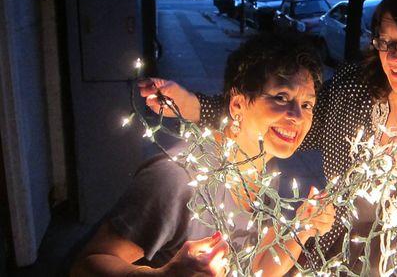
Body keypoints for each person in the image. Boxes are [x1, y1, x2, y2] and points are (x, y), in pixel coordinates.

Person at [140, 0, 397, 275]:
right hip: (346, 262)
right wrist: (190, 104)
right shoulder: (356, 88)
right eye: (384, 42)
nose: (390, 56)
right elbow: (291, 123)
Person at [71, 33, 335, 277]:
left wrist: (302, 227)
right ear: (238, 104)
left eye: (306, 104)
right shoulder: (178, 177)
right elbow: (86, 265)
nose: (297, 117)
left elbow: (256, 269)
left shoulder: (265, 173)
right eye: (281, 97)